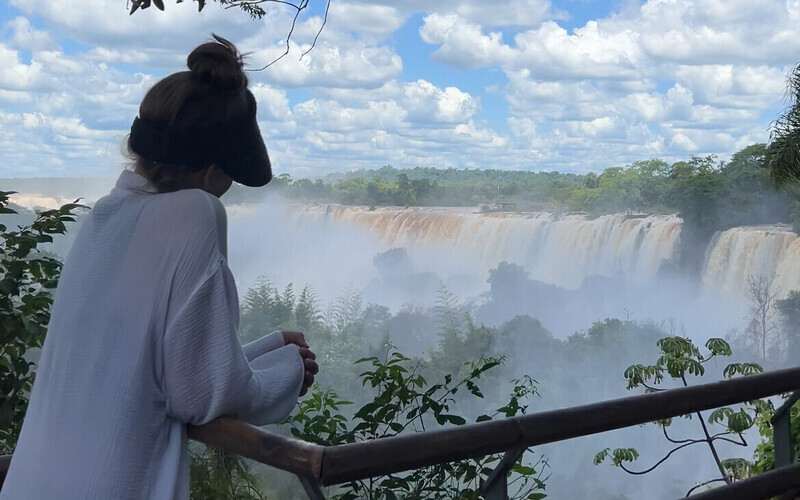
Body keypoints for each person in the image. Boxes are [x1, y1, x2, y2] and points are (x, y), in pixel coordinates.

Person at [0, 35, 318, 499]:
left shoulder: (105, 216)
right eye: (228, 180)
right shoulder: (196, 213)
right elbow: (202, 394)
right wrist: (289, 370)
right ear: (212, 171)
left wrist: (270, 345)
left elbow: (153, 370)